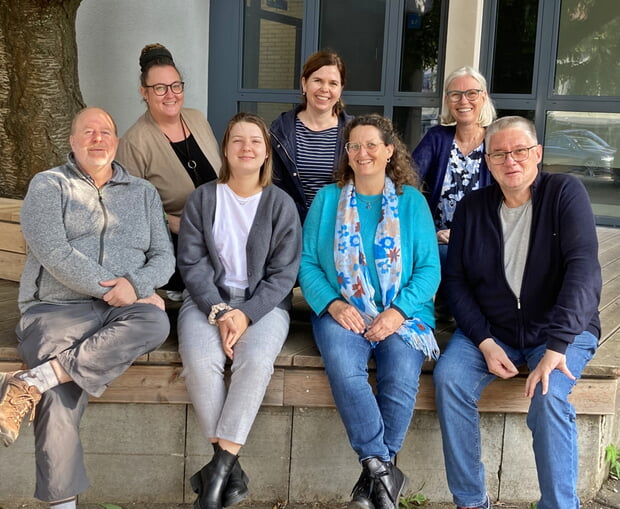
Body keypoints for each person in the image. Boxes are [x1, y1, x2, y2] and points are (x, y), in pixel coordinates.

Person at [0, 107, 175, 509]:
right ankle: (63, 505)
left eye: (106, 132)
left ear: (116, 141)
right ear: (73, 142)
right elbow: (54, 253)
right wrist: (114, 288)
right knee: (60, 394)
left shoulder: (143, 193)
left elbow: (164, 257)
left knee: (154, 321)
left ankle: (33, 380)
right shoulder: (49, 185)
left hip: (121, 311)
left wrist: (138, 285)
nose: (99, 138)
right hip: (54, 309)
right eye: (89, 132)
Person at [433, 116, 601, 509]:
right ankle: (471, 501)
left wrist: (557, 346)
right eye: (500, 154)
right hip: (494, 332)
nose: (511, 161)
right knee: (449, 380)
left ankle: (559, 505)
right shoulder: (472, 209)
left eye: (520, 151)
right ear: (487, 163)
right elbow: (456, 283)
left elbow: (583, 270)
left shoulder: (564, 193)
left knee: (549, 395)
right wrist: (485, 341)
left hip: (560, 331)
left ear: (538, 154)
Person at [299, 114, 441, 509]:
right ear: (346, 153)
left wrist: (396, 313)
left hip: (404, 315)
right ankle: (384, 471)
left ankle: (373, 477)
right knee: (346, 371)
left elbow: (430, 269)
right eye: (354, 146)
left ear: (389, 151)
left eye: (371, 145)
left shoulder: (411, 202)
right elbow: (307, 263)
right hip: (342, 312)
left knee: (399, 375)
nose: (363, 153)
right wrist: (334, 303)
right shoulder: (328, 199)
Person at [177, 112, 302, 509]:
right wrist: (217, 309)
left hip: (263, 305)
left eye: (255, 141)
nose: (247, 148)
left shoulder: (280, 204)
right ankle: (229, 468)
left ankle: (215, 478)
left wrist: (245, 314)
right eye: (238, 141)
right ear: (226, 150)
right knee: (200, 361)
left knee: (255, 361)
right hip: (205, 300)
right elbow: (192, 264)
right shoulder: (203, 198)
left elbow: (284, 275)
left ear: (266, 153)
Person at [117, 43, 221, 301]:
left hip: (219, 228)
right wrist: (179, 224)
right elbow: (131, 213)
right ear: (145, 92)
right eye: (160, 88)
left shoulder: (197, 119)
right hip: (176, 241)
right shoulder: (134, 142)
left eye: (176, 86)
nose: (170, 94)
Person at [412, 67, 496, 319]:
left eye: (471, 93)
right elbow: (407, 179)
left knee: (461, 254)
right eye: (455, 94)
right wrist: (429, 232)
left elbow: (506, 197)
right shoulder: (438, 137)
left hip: (484, 236)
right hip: (437, 237)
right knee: (441, 253)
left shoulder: (496, 139)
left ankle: (458, 311)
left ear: (483, 97)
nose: (463, 101)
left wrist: (465, 233)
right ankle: (441, 310)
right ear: (447, 100)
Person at [270, 50, 353, 223]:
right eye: (318, 80)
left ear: (341, 89)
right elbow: (272, 185)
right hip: (290, 225)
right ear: (304, 83)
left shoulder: (353, 132)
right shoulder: (280, 130)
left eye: (333, 83)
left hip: (338, 227)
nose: (325, 89)